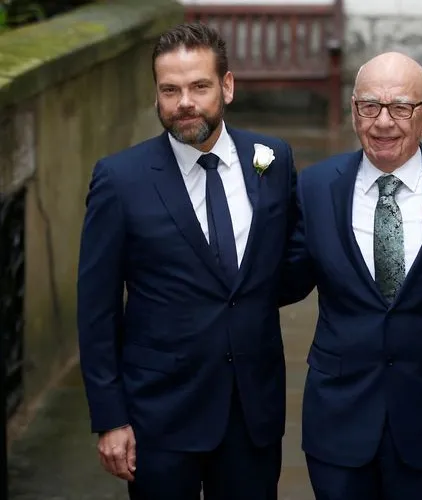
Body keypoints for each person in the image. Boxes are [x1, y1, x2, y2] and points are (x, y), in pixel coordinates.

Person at [77, 23, 295, 500]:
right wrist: (110, 417)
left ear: (227, 86)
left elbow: (285, 265)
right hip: (159, 416)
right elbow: (96, 310)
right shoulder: (120, 179)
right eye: (170, 90)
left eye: (199, 86)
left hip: (252, 412)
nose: (184, 103)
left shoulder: (273, 160)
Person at [282, 51, 422, 499]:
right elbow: (284, 281)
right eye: (370, 106)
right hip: (340, 421)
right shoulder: (315, 187)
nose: (383, 122)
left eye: (400, 107)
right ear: (354, 111)